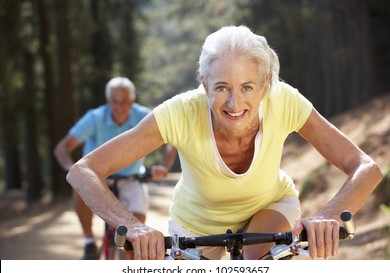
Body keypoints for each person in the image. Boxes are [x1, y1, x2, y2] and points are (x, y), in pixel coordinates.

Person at [66, 26, 383, 260]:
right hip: (193, 226)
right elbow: (83, 171)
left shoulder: (284, 101)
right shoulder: (179, 113)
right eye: (221, 87)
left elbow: (365, 167)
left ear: (264, 85)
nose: (234, 103)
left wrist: (329, 213)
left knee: (260, 262)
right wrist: (132, 226)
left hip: (268, 207)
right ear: (203, 84)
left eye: (247, 87)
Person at [54, 76, 176, 260]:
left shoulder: (143, 115)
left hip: (132, 178)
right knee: (81, 185)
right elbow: (62, 149)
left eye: (124, 102)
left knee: (135, 239)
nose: (119, 107)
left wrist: (164, 167)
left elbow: (170, 143)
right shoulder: (94, 118)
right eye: (114, 102)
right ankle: (88, 242)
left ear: (132, 100)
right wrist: (72, 170)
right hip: (97, 178)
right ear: (107, 101)